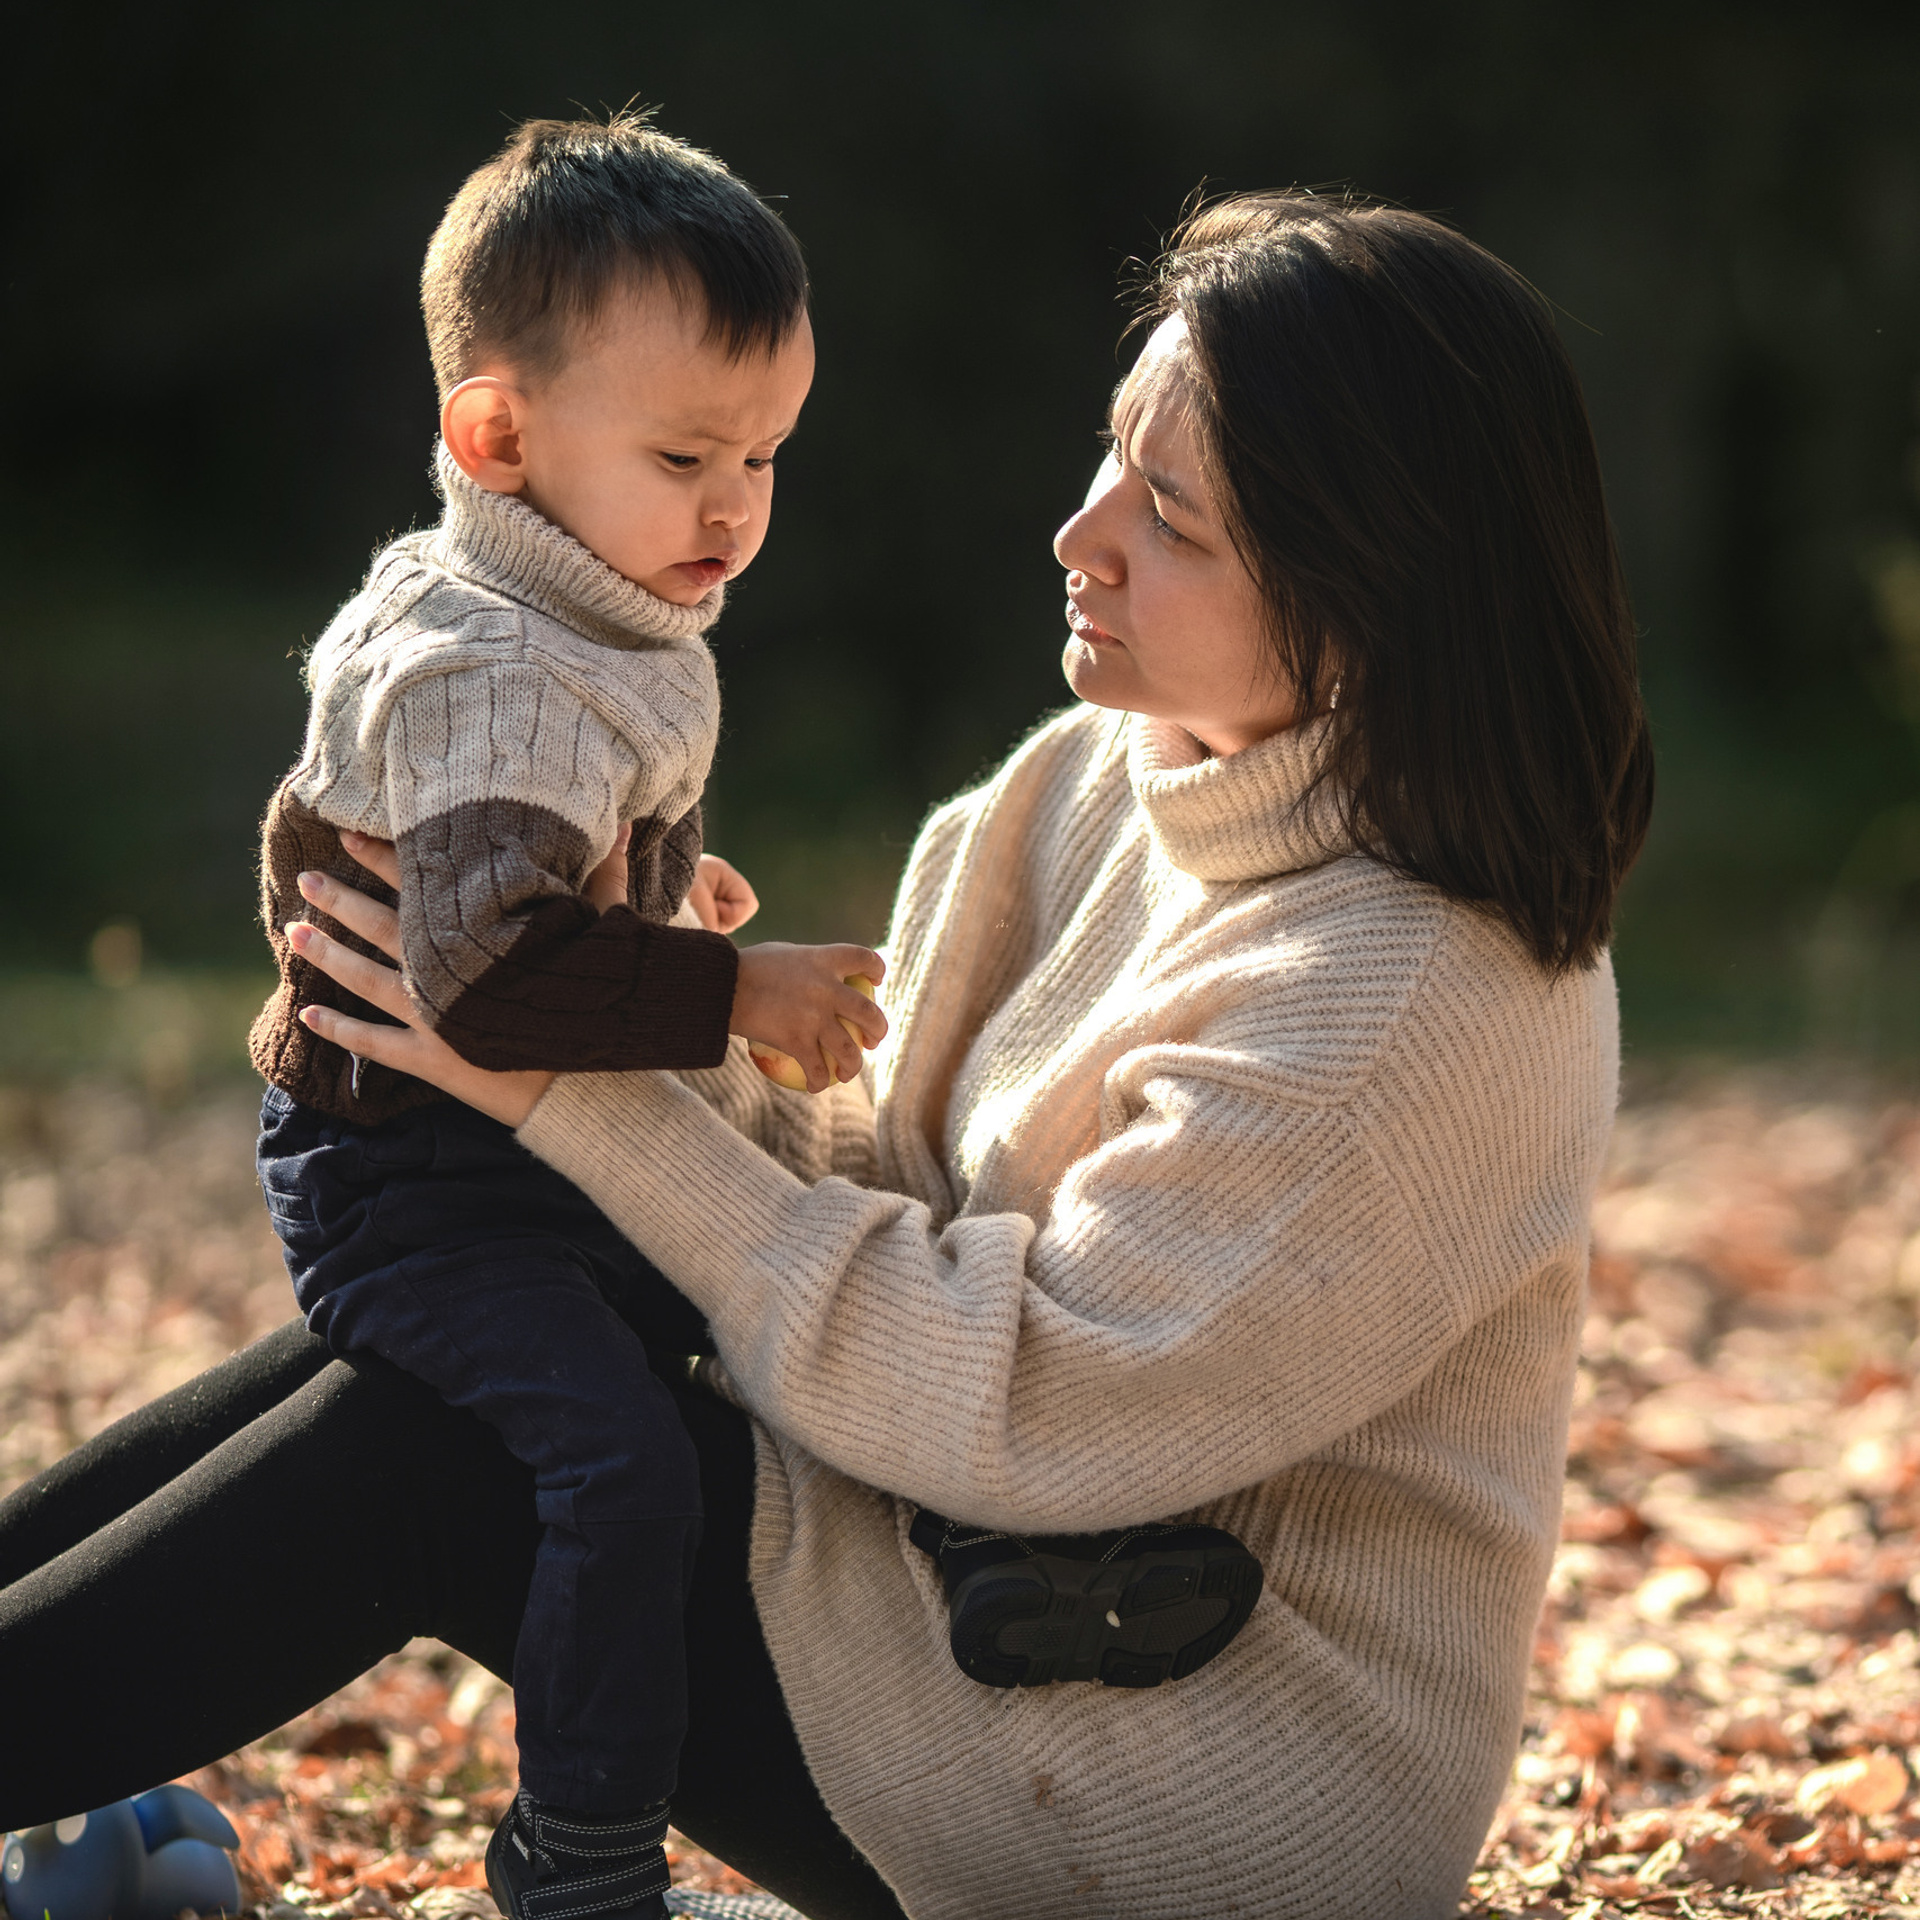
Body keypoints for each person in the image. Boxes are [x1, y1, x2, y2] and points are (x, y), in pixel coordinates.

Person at [0, 190, 1652, 1920]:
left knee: (455, 1454)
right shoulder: (1100, 784)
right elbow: (862, 1175)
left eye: (1169, 517)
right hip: (971, 1582)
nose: (1081, 531)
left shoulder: (1410, 1003)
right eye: (1112, 457)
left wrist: (566, 1094)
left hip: (1174, 1766)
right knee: (460, 1337)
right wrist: (644, 998)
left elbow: (1034, 1406)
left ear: (1370, 595)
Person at [248, 111, 885, 1920]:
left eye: (766, 454)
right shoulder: (497, 665)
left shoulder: (574, 595)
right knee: (621, 1465)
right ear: (498, 434)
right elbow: (487, 974)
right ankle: (583, 1865)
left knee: (708, 1374)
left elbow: (526, 874)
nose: (735, 506)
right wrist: (723, 989)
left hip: (490, 1147)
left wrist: (673, 901)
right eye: (687, 452)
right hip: (417, 1180)